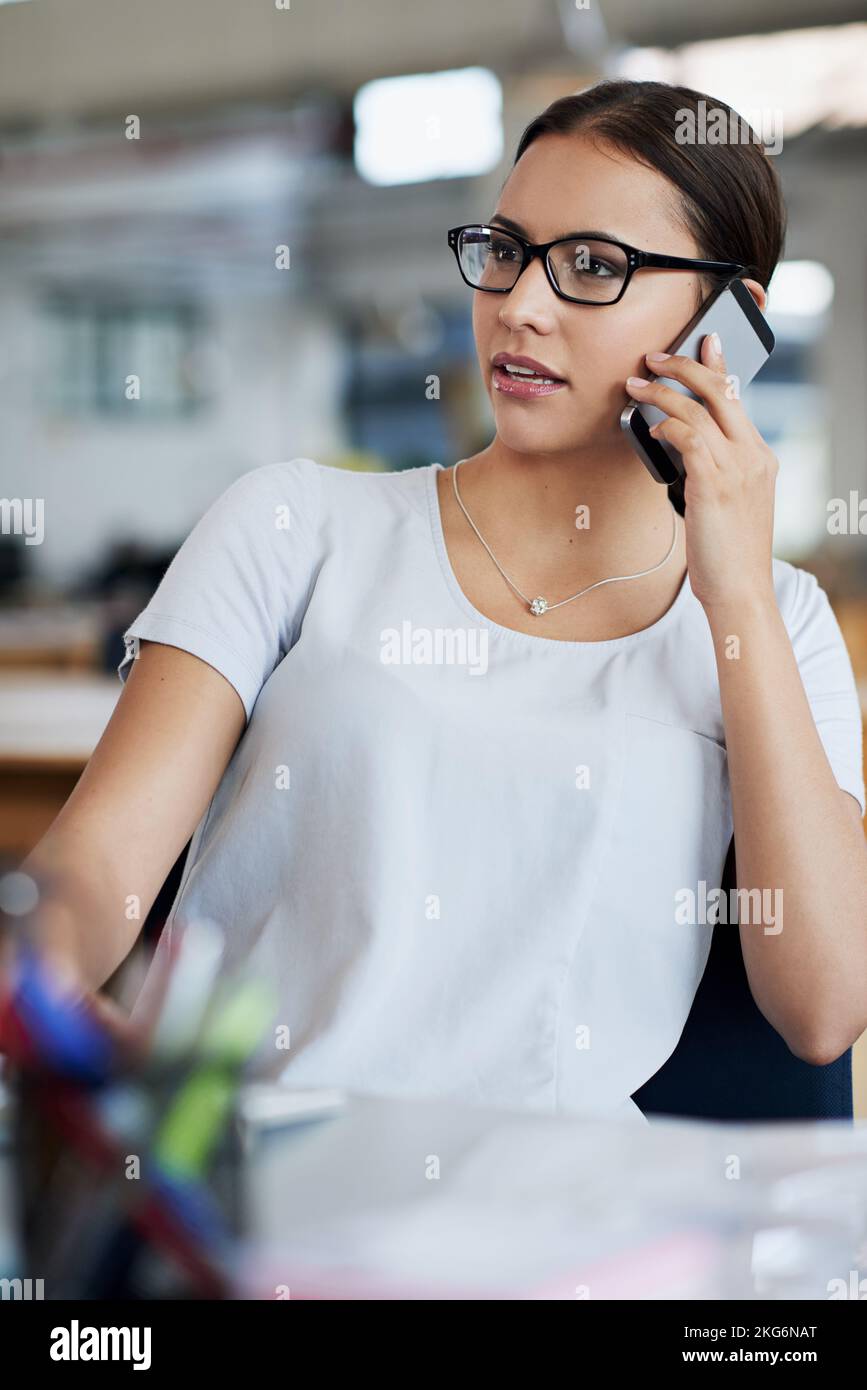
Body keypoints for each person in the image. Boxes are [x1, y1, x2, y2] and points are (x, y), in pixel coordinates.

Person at [13, 79, 867, 1124]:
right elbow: (99, 865)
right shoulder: (295, 526)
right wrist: (45, 982)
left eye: (594, 266)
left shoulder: (780, 626)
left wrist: (734, 593)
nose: (521, 304)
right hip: (259, 1191)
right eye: (506, 249)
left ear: (729, 319)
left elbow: (824, 1009)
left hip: (567, 1232)